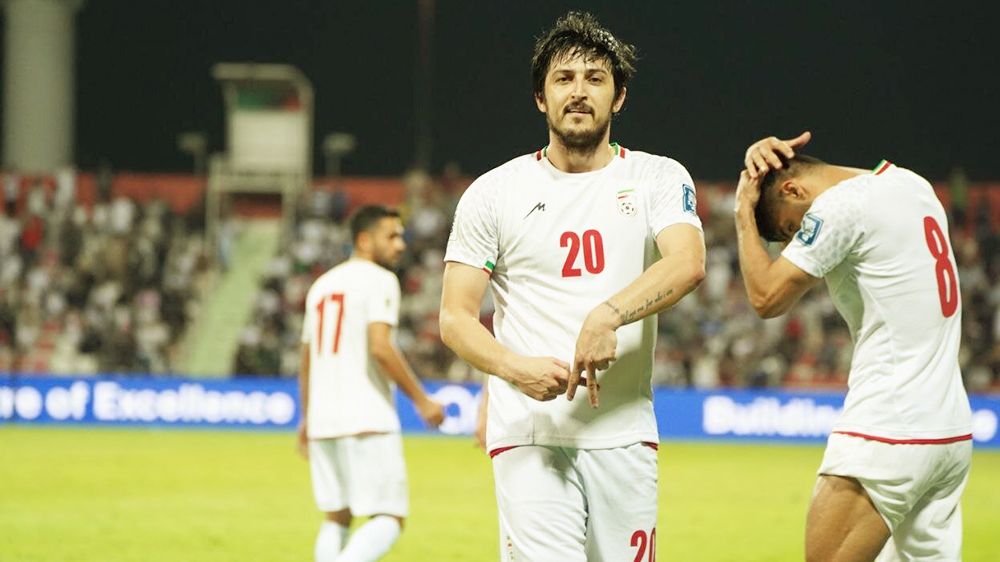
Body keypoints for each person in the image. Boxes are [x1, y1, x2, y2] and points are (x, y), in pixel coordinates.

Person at [439, 11, 706, 561]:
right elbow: (454, 317)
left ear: (619, 97)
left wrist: (606, 315)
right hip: (529, 433)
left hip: (624, 432)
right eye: (563, 79)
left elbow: (687, 263)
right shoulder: (493, 193)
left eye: (595, 78)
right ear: (541, 97)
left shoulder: (658, 176)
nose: (578, 92)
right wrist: (513, 369)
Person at [735, 132, 973, 561]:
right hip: (950, 434)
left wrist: (742, 213)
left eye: (792, 227)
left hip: (889, 430)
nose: (797, 241)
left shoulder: (841, 205)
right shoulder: (913, 186)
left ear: (793, 189)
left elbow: (766, 298)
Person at [297, 205, 445, 562]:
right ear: (364, 240)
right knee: (390, 518)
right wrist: (422, 400)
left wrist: (307, 418)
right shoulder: (380, 280)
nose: (400, 245)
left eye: (401, 236)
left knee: (337, 516)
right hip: (366, 416)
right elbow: (380, 346)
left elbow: (307, 360)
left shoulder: (321, 285)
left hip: (324, 420)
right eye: (391, 236)